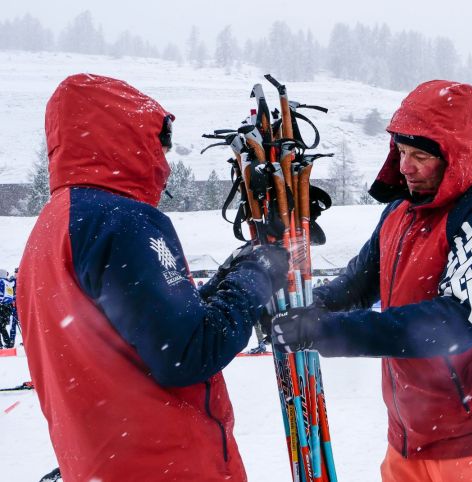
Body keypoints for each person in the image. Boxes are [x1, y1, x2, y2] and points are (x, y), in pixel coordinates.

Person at [17, 74, 289, 481]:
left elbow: (143, 329)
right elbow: (190, 351)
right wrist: (257, 275)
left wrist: (226, 278)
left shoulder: (51, 227)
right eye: (159, 145)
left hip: (103, 463)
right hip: (169, 463)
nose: (163, 160)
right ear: (127, 140)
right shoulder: (121, 220)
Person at [269, 80, 472, 480]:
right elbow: (357, 284)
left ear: (454, 157)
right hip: (408, 439)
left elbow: (455, 322)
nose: (405, 167)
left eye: (420, 156)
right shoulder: (399, 212)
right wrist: (306, 309)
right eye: (402, 152)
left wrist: (328, 332)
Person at [0, 269, 13, 348]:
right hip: (7, 307)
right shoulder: (8, 283)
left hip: (1, 306)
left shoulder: (1, 282)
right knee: (2, 327)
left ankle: (1, 345)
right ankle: (8, 342)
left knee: (1, 326)